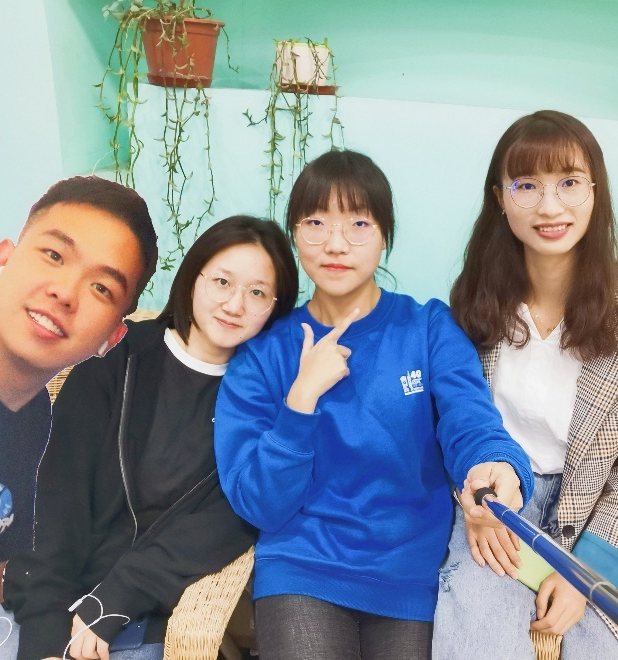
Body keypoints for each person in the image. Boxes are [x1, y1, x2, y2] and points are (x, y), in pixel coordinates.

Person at [213, 150, 533, 660]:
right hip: (302, 570)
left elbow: (469, 419)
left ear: (385, 235)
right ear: (294, 234)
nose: (336, 244)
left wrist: (494, 462)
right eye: (315, 223)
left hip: (407, 576)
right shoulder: (263, 354)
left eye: (358, 223)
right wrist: (301, 399)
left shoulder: (428, 327)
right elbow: (259, 503)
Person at [432, 110, 618, 659]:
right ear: (500, 199)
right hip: (502, 505)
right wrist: (476, 500)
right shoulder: (474, 302)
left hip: (602, 513)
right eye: (527, 186)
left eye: (570, 182)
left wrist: (587, 574)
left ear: (596, 192)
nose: (550, 207)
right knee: (475, 644)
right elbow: (453, 417)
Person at [0, 216, 299, 660]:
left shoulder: (261, 401)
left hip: (142, 613)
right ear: (193, 277)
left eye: (258, 293)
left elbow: (227, 524)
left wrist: (116, 599)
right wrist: (47, 632)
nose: (234, 305)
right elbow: (55, 491)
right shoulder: (119, 352)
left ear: (276, 307)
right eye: (222, 282)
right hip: (44, 596)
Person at [0, 176, 157, 630]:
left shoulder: (42, 430)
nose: (65, 292)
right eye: (54, 255)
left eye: (102, 288)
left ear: (112, 337)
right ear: (2, 260)